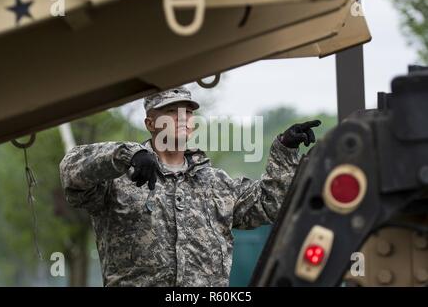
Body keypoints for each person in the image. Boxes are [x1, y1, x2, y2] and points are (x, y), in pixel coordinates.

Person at [59, 86, 321, 286]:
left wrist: (285, 149)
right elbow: (71, 171)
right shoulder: (119, 182)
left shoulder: (217, 184)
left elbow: (270, 203)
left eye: (188, 112)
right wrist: (128, 154)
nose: (182, 117)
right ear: (151, 123)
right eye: (171, 112)